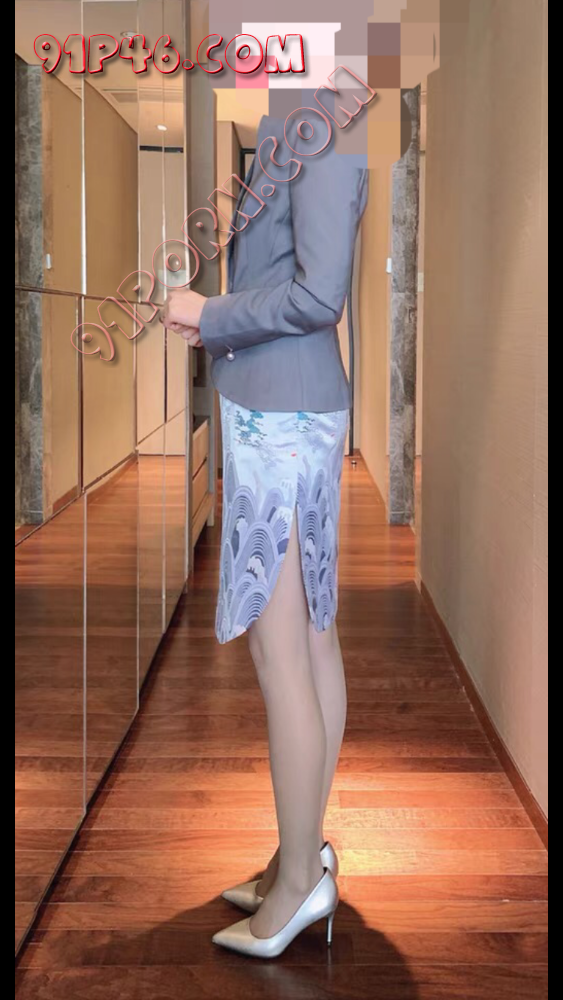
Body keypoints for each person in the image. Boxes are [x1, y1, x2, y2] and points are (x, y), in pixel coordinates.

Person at [162, 112, 368, 959]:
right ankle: (299, 855)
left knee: (285, 647)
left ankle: (297, 887)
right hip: (284, 406)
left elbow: (320, 296)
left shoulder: (323, 106)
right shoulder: (310, 108)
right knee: (306, 640)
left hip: (282, 414)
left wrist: (209, 313)